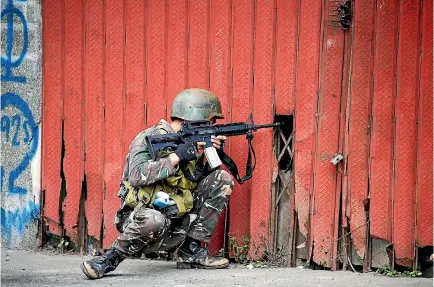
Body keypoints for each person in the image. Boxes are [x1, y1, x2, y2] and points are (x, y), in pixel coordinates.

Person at [80, 88, 233, 279]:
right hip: (143, 219)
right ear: (196, 119)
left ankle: (191, 251)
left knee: (222, 180)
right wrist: (177, 157)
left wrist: (212, 154)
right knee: (154, 218)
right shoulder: (147, 138)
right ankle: (108, 260)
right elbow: (136, 175)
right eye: (210, 121)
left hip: (176, 218)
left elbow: (195, 182)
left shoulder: (192, 143)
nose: (212, 126)